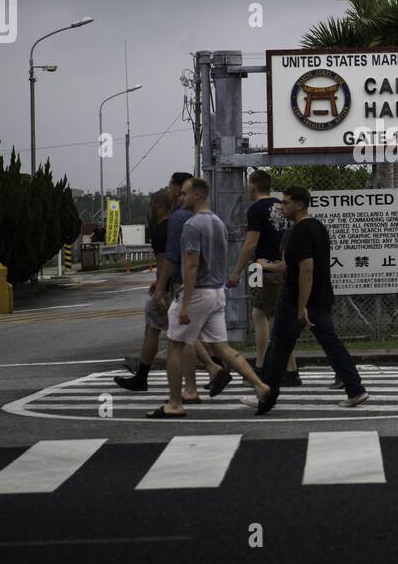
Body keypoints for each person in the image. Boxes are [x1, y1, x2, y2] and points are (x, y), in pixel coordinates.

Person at [149, 177, 270, 417]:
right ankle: (261, 386)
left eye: (184, 194)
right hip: (217, 292)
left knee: (174, 345)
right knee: (222, 348)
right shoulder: (218, 223)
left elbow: (191, 266)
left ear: (197, 195)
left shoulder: (192, 226)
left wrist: (184, 304)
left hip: (198, 293)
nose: (180, 198)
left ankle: (175, 403)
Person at [254, 186, 369, 415]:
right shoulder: (318, 228)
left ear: (299, 204)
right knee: (329, 344)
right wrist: (266, 265)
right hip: (320, 298)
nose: (282, 206)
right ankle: (355, 389)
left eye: (286, 203)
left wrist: (301, 306)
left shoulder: (300, 231)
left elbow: (306, 269)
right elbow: (289, 265)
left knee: (279, 345)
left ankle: (266, 392)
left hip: (298, 300)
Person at [115, 173, 205, 402]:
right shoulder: (192, 217)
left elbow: (166, 260)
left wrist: (160, 289)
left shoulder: (165, 226)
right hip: (192, 284)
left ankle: (148, 379)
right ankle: (215, 369)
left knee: (169, 332)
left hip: (174, 286)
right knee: (187, 333)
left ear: (157, 205)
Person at [226, 170, 301, 386]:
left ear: (252, 186)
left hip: (261, 267)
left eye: (248, 185)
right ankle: (289, 369)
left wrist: (236, 271)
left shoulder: (255, 210)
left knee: (260, 314)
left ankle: (262, 367)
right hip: (282, 266)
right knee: (274, 316)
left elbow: (251, 243)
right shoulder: (281, 205)